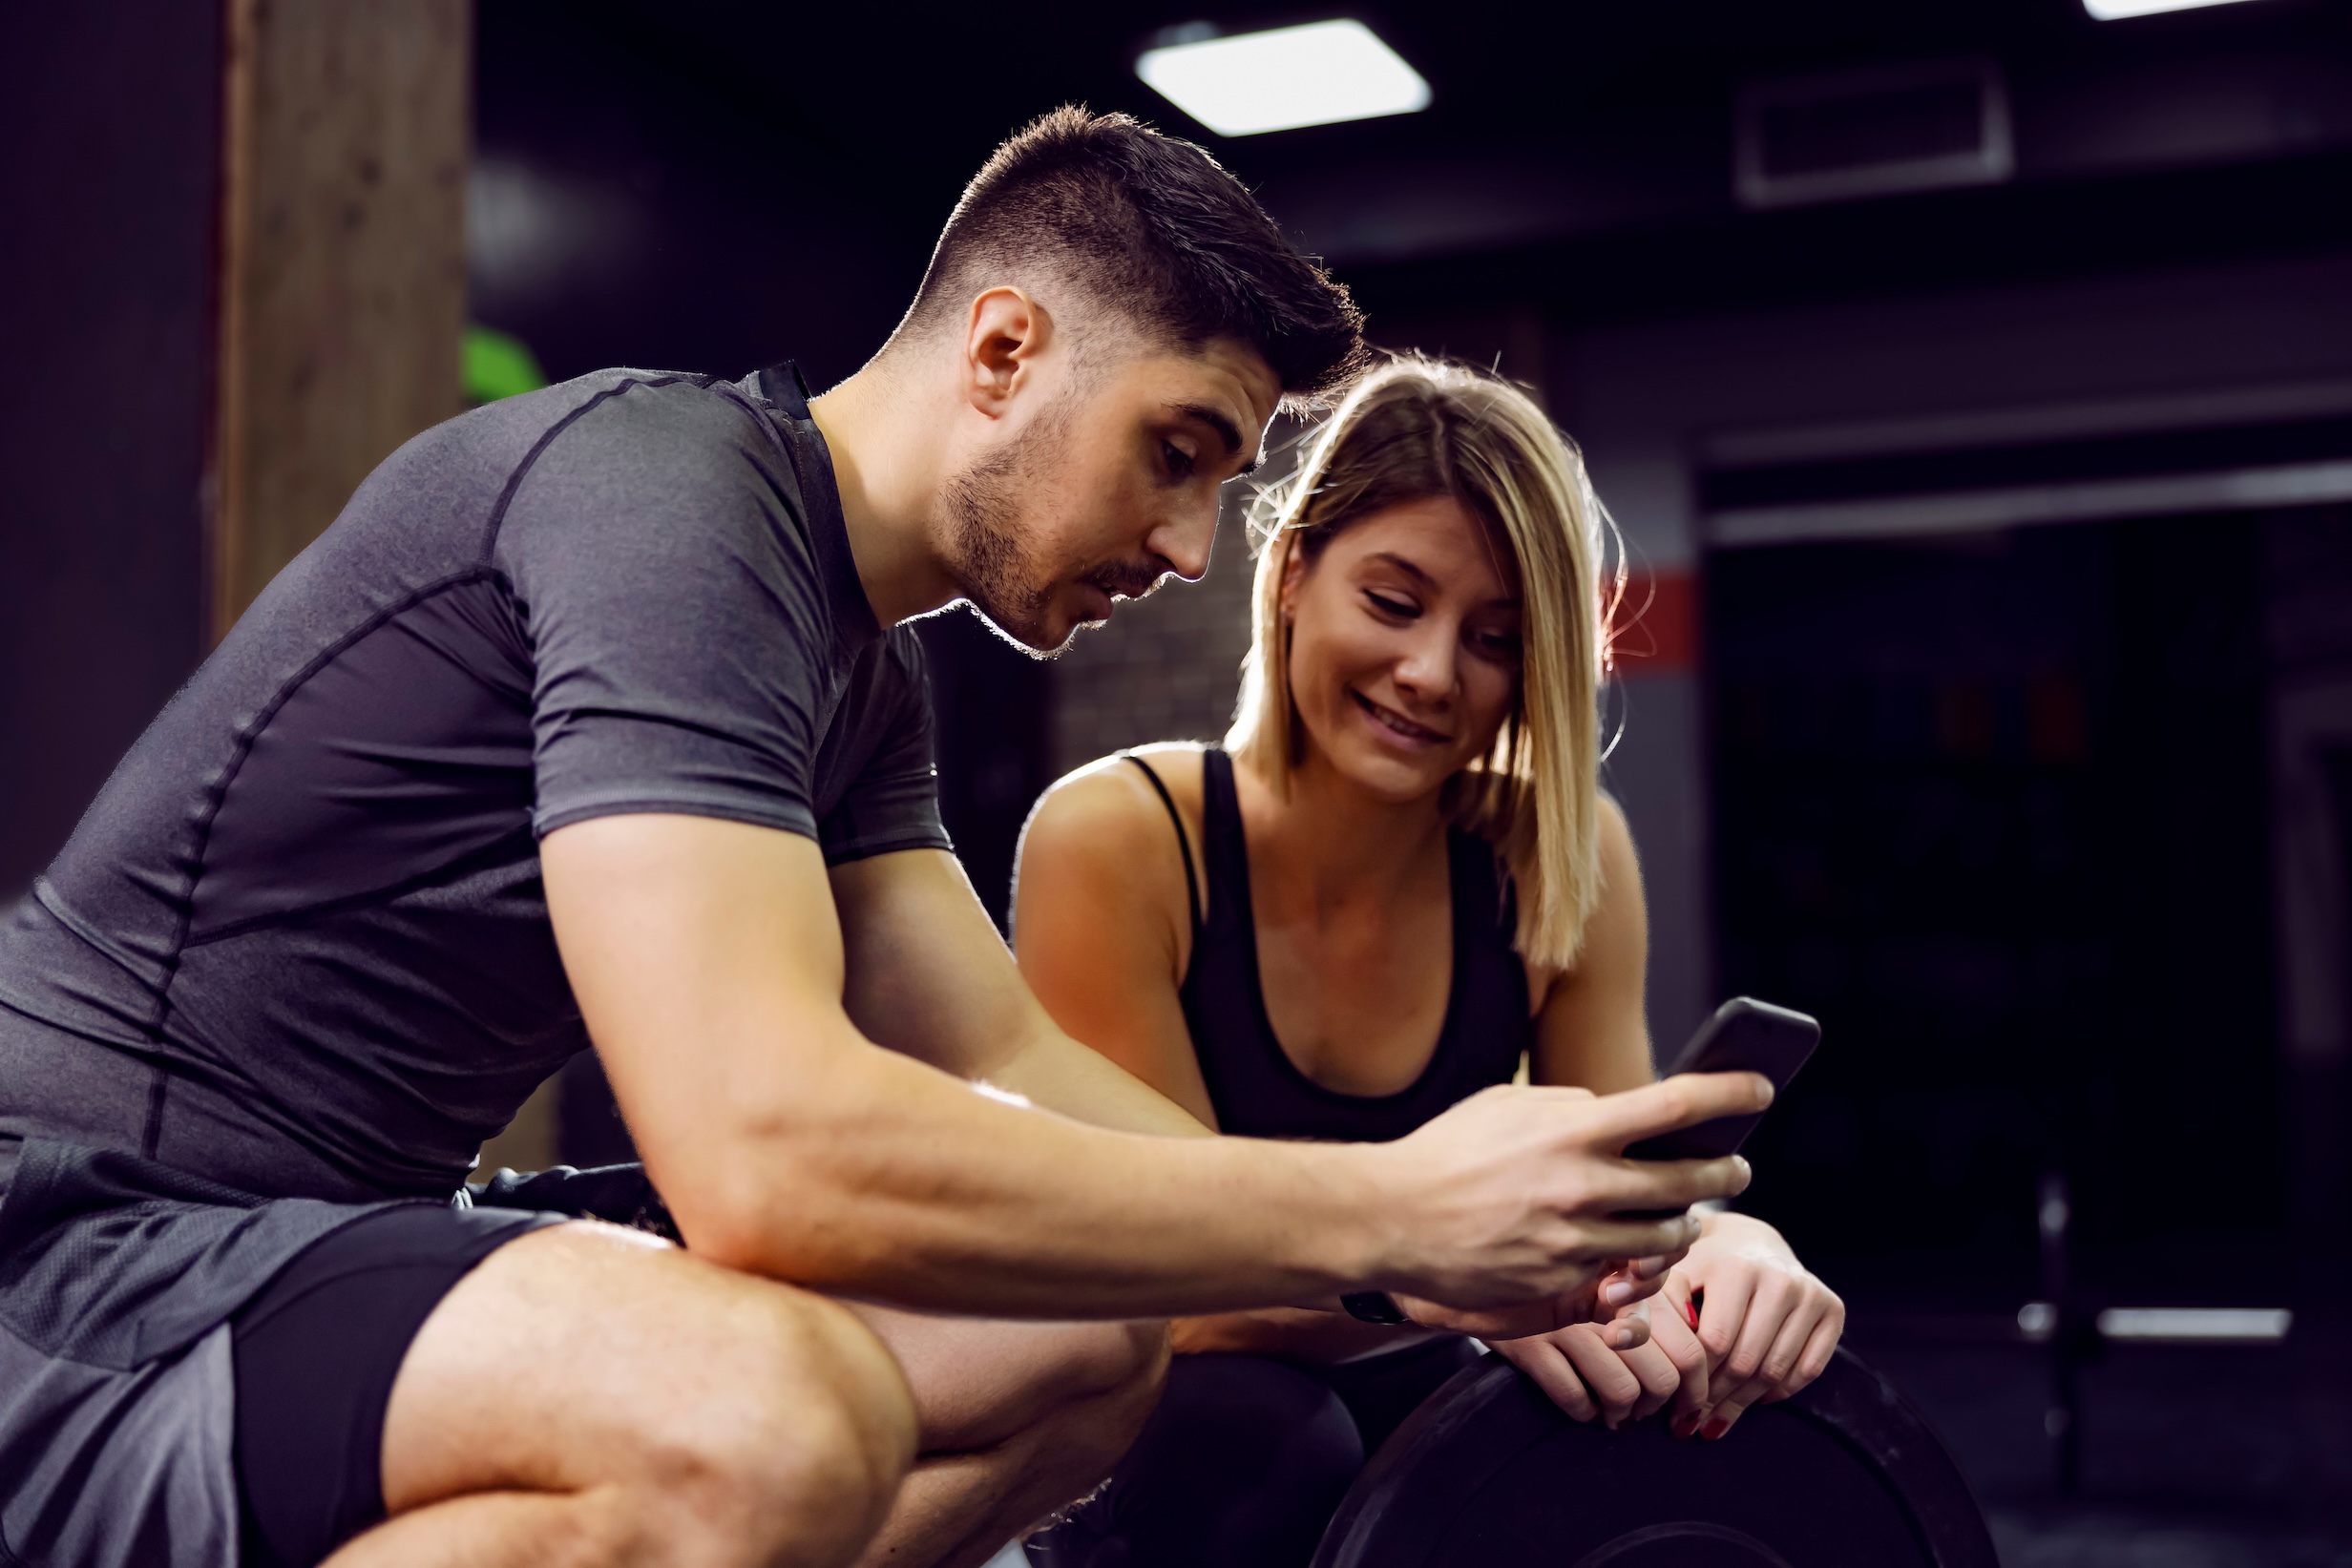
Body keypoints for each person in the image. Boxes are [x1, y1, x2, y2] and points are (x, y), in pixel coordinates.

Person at [0, 113, 1768, 1568]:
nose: (1178, 544)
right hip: (82, 1247)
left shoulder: (861, 674)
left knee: (1082, 1339)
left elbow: (1000, 1056)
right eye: (1173, 452)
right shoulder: (672, 502)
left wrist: (1454, 1260)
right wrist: (1385, 1203)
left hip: (330, 1233)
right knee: (755, 1418)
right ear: (1003, 349)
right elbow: (765, 1150)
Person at [1014, 358, 1846, 1568]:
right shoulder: (1120, 838)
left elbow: (1620, 1204)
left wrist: (1721, 1244)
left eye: (1494, 638)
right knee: (1265, 1427)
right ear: (1293, 570)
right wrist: (1426, 1277)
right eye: (1394, 602)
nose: (1431, 673)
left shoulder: (1556, 850)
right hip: (1174, 1425)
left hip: (1434, 1371)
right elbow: (1152, 1285)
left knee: (1664, 1403)